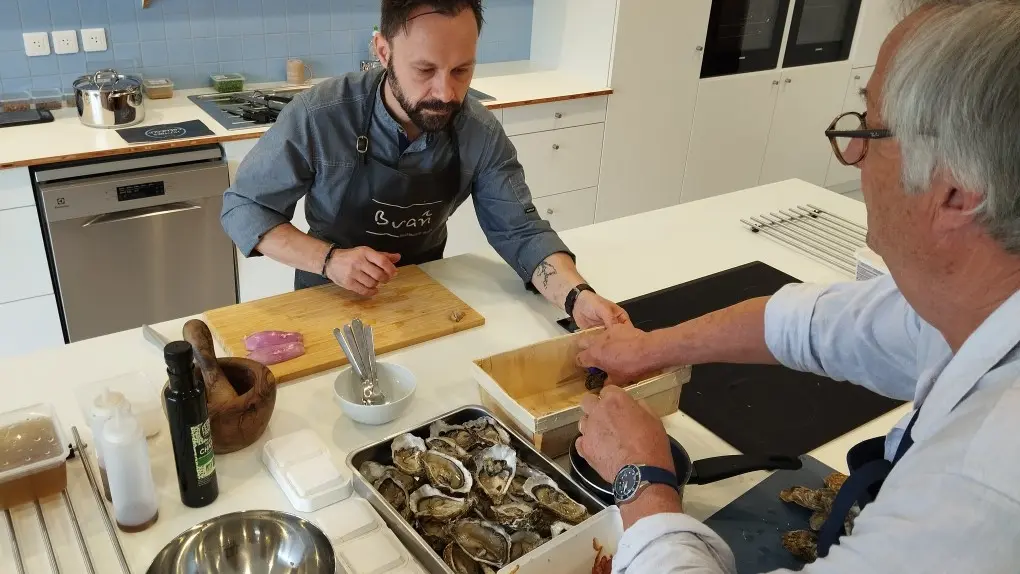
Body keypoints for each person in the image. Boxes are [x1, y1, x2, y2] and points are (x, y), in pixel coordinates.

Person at [574, 0, 1020, 572]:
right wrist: (647, 349)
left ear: (955, 188)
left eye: (870, 129)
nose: (852, 153)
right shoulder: (967, 302)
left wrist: (642, 482)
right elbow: (814, 324)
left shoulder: (984, 483)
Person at [220, 0, 628, 329]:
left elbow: (520, 231)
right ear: (383, 52)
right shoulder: (321, 115)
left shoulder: (479, 132)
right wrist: (329, 260)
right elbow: (244, 207)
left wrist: (578, 298)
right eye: (425, 69)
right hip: (326, 295)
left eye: (462, 70)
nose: (446, 93)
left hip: (425, 298)